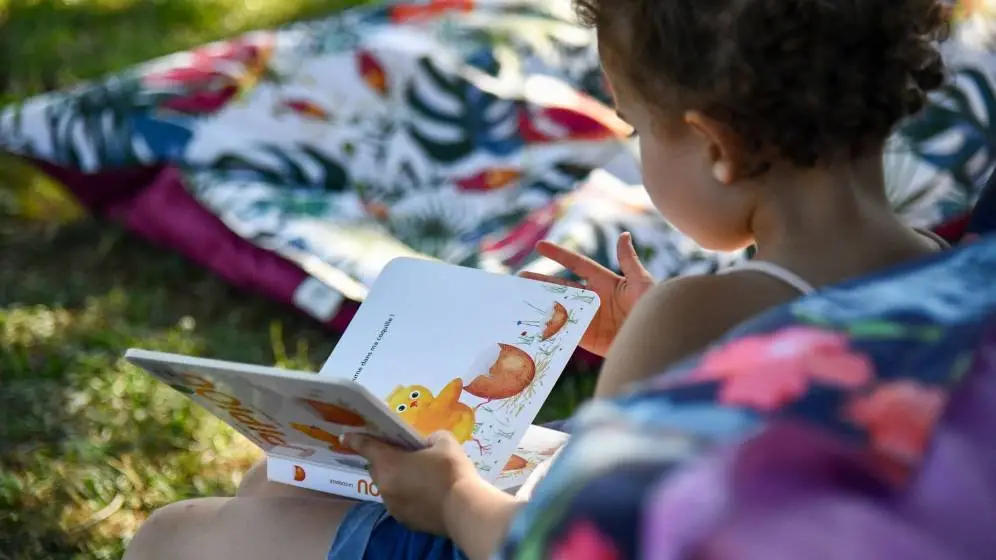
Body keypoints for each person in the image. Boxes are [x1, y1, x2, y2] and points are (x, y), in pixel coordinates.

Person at [122, 0, 954, 559]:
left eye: (634, 125)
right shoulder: (945, 271)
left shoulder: (699, 313)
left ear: (715, 147)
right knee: (278, 481)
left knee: (179, 534)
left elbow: (567, 544)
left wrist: (451, 496)